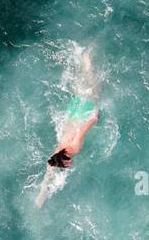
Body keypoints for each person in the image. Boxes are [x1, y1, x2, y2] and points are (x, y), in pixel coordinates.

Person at [36, 47, 101, 208]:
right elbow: (49, 169)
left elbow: (82, 130)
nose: (69, 164)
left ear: (66, 158)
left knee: (94, 88)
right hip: (71, 113)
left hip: (83, 111)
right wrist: (41, 195)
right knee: (80, 88)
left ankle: (86, 59)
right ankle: (78, 58)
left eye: (67, 163)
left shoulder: (74, 147)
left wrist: (94, 118)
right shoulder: (56, 153)